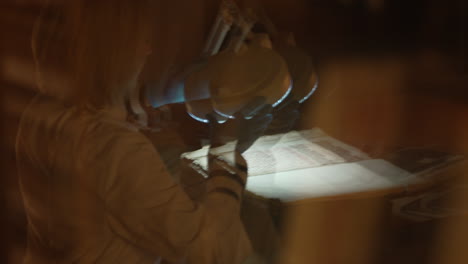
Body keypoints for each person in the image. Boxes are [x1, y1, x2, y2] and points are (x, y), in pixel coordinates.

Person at [16, 1, 272, 263]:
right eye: (139, 41)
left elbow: (99, 112)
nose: (148, 50)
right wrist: (225, 151)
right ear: (111, 54)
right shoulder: (114, 148)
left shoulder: (38, 116)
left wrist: (150, 100)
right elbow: (215, 251)